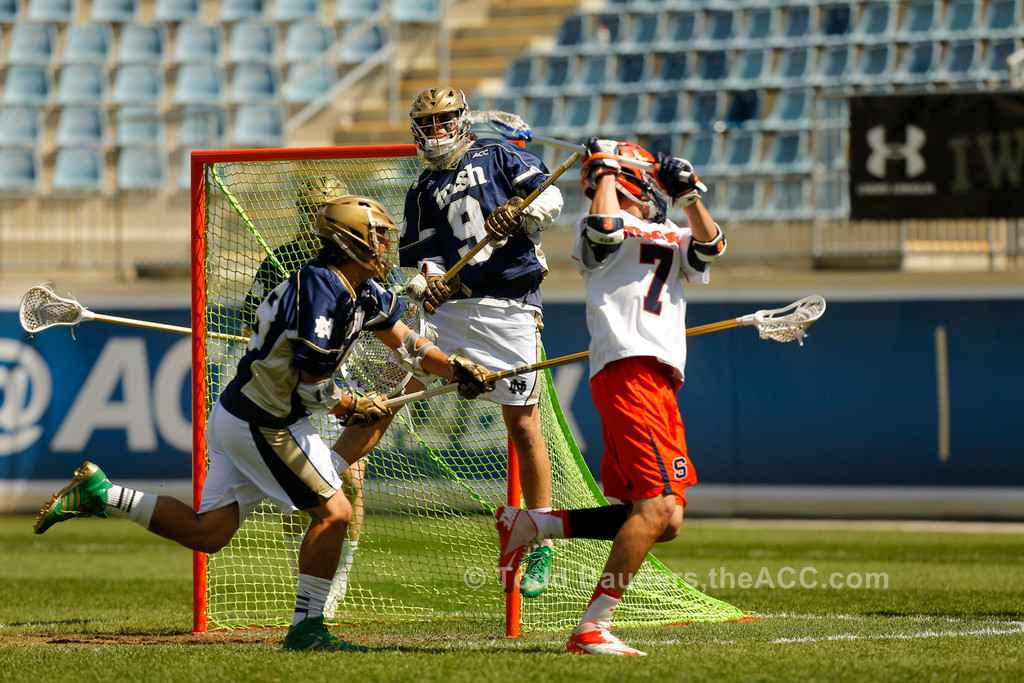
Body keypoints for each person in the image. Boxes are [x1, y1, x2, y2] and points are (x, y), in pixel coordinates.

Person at [33, 195, 493, 652]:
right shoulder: (323, 292)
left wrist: (454, 367)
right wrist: (352, 403)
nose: (386, 247)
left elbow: (409, 344)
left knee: (208, 533)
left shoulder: (360, 288)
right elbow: (313, 386)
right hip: (264, 422)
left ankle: (102, 494)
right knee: (335, 512)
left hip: (242, 416)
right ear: (352, 241)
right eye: (378, 237)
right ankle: (308, 628)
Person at [330, 86, 565, 599]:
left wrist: (520, 214)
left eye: (444, 121)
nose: (437, 131)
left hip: (509, 305)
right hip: (451, 310)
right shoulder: (420, 189)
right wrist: (429, 281)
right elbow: (429, 258)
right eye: (428, 124)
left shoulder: (499, 154)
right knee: (392, 395)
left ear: (461, 120)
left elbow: (551, 197)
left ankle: (542, 533)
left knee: (523, 422)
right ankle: (322, 474)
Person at [495, 138, 726, 656]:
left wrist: (689, 194)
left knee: (666, 520)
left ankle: (534, 524)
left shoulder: (670, 230)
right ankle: (592, 626)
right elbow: (602, 230)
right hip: (629, 369)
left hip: (660, 379)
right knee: (658, 505)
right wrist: (603, 172)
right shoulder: (599, 224)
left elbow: (711, 246)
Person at [239, 174, 365, 617]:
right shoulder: (282, 258)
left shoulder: (358, 257)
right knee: (301, 491)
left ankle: (339, 580)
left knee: (351, 478)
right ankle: (311, 581)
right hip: (286, 386)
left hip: (334, 375)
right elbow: (251, 316)